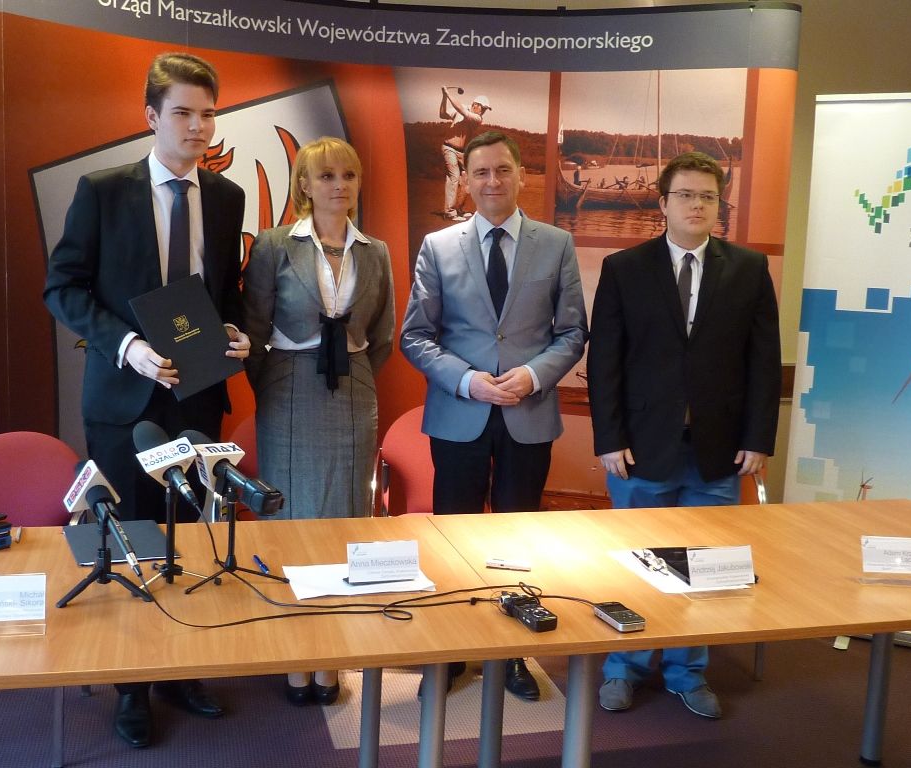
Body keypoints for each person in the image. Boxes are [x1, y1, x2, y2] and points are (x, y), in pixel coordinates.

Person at [44, 52, 249, 748]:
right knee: (132, 540)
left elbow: (225, 293)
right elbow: (62, 288)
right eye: (183, 113)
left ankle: (181, 670)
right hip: (124, 398)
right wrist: (126, 345)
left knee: (189, 540)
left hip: (196, 396)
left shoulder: (226, 197)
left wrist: (236, 333)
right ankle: (132, 686)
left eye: (208, 114)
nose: (198, 127)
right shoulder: (102, 190)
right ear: (151, 117)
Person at [587, 151, 781, 719]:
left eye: (708, 197)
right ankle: (623, 666)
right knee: (635, 563)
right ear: (664, 203)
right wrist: (608, 438)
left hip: (719, 451)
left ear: (720, 206)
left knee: (702, 567)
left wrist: (759, 438)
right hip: (640, 447)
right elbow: (606, 361)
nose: (697, 205)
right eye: (686, 195)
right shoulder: (625, 268)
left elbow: (764, 362)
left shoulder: (749, 269)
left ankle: (686, 671)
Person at [402, 131, 588, 700]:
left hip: (527, 412)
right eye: (480, 172)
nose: (492, 181)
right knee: (453, 538)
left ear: (522, 175)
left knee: (517, 538)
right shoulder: (438, 246)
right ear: (466, 179)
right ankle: (452, 651)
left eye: (502, 170)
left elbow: (572, 332)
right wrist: (467, 379)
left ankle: (511, 655)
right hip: (459, 413)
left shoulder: (556, 244)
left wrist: (532, 375)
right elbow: (415, 335)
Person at [242, 136, 395, 707]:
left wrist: (351, 374)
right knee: (291, 521)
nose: (339, 185)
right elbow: (254, 331)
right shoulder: (275, 245)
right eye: (326, 176)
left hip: (352, 391)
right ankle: (295, 658)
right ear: (303, 184)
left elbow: (382, 336)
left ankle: (330, 658)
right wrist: (279, 383)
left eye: (348, 175)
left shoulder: (375, 252)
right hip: (287, 390)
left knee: (344, 520)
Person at [439, 87, 490, 221]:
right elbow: (443, 114)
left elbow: (461, 110)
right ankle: (450, 212)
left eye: (485, 110)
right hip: (448, 148)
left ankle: (458, 209)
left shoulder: (477, 118)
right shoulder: (462, 108)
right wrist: (444, 97)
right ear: (475, 105)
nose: (483, 112)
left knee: (468, 178)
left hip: (462, 152)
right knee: (454, 176)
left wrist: (448, 94)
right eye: (483, 108)